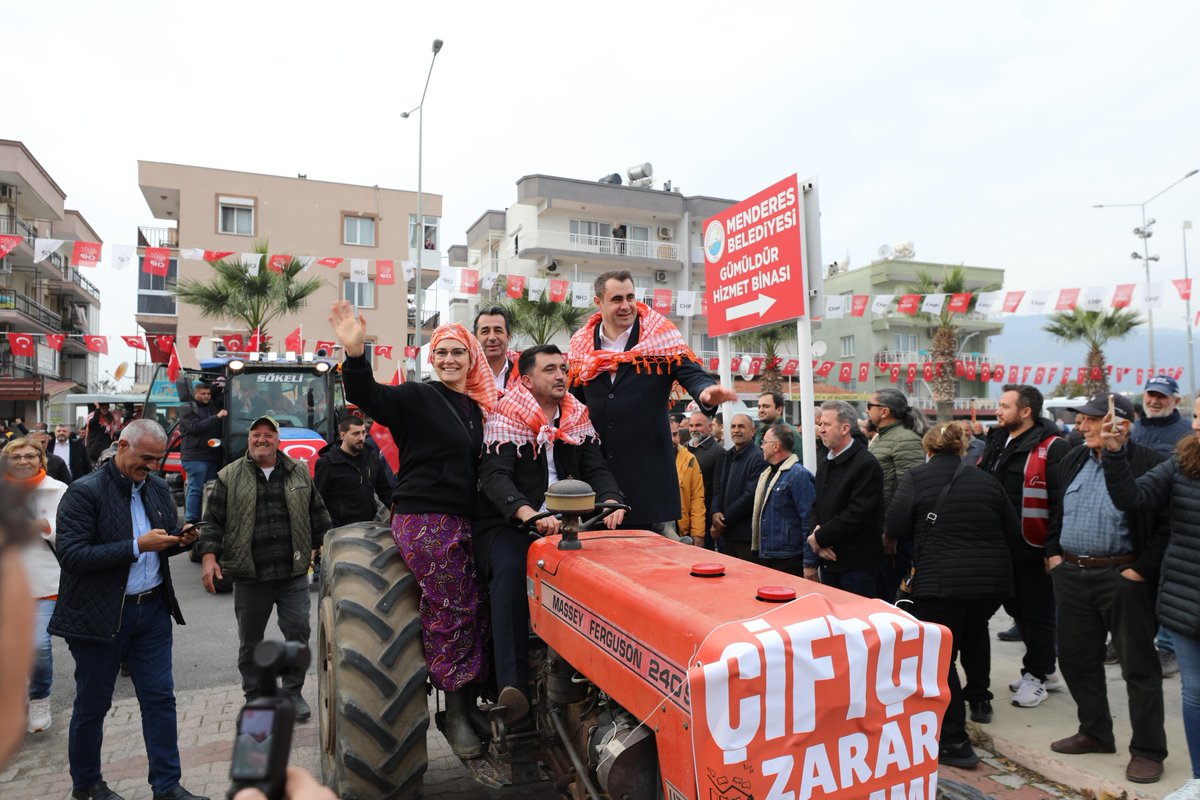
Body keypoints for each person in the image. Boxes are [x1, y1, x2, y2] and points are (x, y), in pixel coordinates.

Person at [330, 300, 497, 759]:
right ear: (431, 358)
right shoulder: (419, 396)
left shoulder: (478, 408)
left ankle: (470, 702)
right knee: (453, 605)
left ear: (471, 359)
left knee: (479, 604)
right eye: (440, 352)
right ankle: (456, 714)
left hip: (467, 517)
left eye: (457, 353)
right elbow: (371, 397)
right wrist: (356, 356)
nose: (448, 360)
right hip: (425, 516)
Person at [49, 419, 207, 800]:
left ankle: (167, 787)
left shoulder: (154, 488)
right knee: (94, 705)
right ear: (121, 446)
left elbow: (160, 543)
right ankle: (87, 786)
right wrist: (137, 545)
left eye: (158, 459)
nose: (153, 467)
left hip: (151, 611)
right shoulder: (83, 492)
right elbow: (71, 556)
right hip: (99, 616)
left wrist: (180, 541)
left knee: (159, 699)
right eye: (146, 458)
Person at [477, 344, 624, 720]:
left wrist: (612, 501)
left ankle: (604, 677)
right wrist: (528, 514)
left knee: (613, 573)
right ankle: (512, 688)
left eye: (563, 368)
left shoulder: (576, 416)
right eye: (550, 370)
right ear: (526, 380)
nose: (560, 375)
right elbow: (495, 477)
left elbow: (598, 469)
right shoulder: (504, 415)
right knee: (510, 572)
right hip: (513, 525)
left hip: (572, 521)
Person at [1043, 393, 1168, 784]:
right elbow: (1057, 510)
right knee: (1076, 660)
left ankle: (1148, 750)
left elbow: (1166, 525)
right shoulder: (1073, 459)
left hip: (1123, 578)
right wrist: (1053, 554)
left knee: (1138, 668)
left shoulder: (1151, 463)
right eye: (1079, 420)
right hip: (1072, 574)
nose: (1080, 427)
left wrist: (1140, 570)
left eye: (1090, 420)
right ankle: (1095, 732)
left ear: (1121, 425)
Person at [886, 422, 1018, 769]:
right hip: (990, 581)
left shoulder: (915, 478)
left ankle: (955, 741)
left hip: (941, 581)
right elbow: (1012, 529)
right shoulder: (987, 480)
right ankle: (981, 700)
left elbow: (895, 526)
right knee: (976, 634)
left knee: (941, 657)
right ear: (961, 448)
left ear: (927, 450)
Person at [567, 269, 735, 530]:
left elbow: (692, 374)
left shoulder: (659, 338)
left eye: (630, 297)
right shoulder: (581, 344)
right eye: (617, 299)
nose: (626, 306)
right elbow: (574, 405)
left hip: (648, 485)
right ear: (598, 303)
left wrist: (706, 394)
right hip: (596, 484)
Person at [198, 416, 331, 720]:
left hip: (292, 572)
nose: (261, 440)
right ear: (249, 440)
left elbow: (318, 513)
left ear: (277, 440)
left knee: (298, 632)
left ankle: (293, 692)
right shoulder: (229, 476)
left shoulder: (298, 471)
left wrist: (320, 545)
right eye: (256, 435)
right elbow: (213, 522)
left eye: (268, 435)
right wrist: (208, 556)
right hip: (249, 575)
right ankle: (254, 695)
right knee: (251, 640)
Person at [1101, 395, 1200, 800]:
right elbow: (1133, 498)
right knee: (1194, 695)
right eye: (1199, 416)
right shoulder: (1184, 462)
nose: (1198, 424)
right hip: (1187, 602)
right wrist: (1115, 453)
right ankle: (1199, 780)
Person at [977, 384, 1070, 708]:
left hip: (1034, 547)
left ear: (1026, 411)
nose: (998, 411)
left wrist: (1053, 548)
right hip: (1001, 546)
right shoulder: (997, 441)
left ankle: (1037, 675)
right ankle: (1045, 668)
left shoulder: (1053, 447)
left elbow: (1060, 503)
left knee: (1039, 614)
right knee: (1018, 611)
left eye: (1004, 406)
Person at [3, 437, 68, 734]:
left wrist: (43, 526)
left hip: (45, 582)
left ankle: (39, 695)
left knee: (38, 646)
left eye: (30, 456)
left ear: (41, 460)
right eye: (16, 457)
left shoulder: (58, 490)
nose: (23, 462)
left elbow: (73, 529)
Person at [1132, 374, 1193, 679]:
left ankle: (1168, 648)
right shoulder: (1135, 429)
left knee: (1169, 586)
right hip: (1140, 519)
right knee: (1137, 587)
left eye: (1162, 396)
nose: (1155, 401)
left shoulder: (1185, 433)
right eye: (1151, 395)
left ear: (1175, 401)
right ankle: (1132, 641)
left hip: (1174, 521)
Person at [808, 400, 884, 597]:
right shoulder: (826, 461)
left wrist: (821, 537)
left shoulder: (866, 463)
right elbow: (817, 504)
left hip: (856, 565)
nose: (821, 430)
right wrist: (817, 535)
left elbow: (858, 513)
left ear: (845, 428)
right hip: (829, 560)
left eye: (826, 424)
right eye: (820, 424)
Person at [867, 388, 928, 598]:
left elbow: (908, 490)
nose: (867, 412)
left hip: (895, 536)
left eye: (870, 406)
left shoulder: (906, 440)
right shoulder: (881, 438)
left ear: (884, 411)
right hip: (878, 528)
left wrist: (892, 532)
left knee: (895, 593)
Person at [751, 425, 815, 575]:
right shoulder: (768, 473)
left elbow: (808, 520)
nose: (761, 447)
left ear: (776, 446)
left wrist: (809, 563)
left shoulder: (798, 475)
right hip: (768, 553)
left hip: (789, 557)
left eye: (764, 442)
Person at [314, 416, 392, 529]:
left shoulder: (371, 457)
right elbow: (318, 501)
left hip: (369, 527)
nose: (361, 438)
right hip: (340, 531)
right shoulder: (327, 463)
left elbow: (386, 492)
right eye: (355, 434)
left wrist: (400, 513)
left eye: (363, 433)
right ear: (342, 435)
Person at [710, 413, 768, 560]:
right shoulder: (728, 455)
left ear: (752, 431)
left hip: (744, 535)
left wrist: (723, 520)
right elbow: (719, 487)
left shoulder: (758, 458)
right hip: (726, 533)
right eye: (733, 426)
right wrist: (715, 511)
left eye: (741, 426)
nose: (736, 430)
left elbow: (750, 496)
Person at [179, 380, 227, 526]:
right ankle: (192, 521)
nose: (206, 396)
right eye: (203, 393)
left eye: (208, 393)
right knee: (196, 489)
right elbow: (195, 427)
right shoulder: (188, 409)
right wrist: (217, 417)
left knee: (211, 489)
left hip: (211, 456)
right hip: (195, 456)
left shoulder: (212, 407)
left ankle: (208, 518)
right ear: (195, 394)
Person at [687, 411, 723, 549]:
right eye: (691, 425)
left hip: (705, 518)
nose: (694, 429)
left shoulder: (718, 453)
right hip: (685, 517)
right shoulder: (684, 449)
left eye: (698, 425)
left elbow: (717, 488)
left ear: (710, 427)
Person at [670, 417, 706, 544]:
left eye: (675, 434)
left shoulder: (690, 459)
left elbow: (697, 498)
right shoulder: (648, 459)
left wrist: (698, 533)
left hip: (682, 531)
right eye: (668, 435)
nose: (672, 439)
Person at [474, 304, 521, 394]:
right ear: (475, 338)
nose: (492, 337)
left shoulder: (525, 373)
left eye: (498, 330)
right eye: (485, 331)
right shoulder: (466, 375)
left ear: (509, 336)